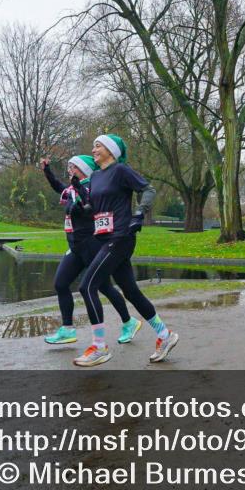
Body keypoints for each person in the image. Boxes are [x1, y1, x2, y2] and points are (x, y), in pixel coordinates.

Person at [76, 134, 178, 366]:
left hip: (121, 236)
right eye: (93, 146)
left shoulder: (121, 170)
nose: (93, 150)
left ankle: (100, 347)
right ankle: (165, 335)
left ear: (111, 151)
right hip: (105, 238)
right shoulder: (95, 176)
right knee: (131, 291)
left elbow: (148, 190)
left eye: (97, 145)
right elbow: (95, 208)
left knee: (87, 285)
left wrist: (140, 212)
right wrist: (82, 204)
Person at [40, 155, 137, 346]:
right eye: (68, 166)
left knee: (104, 287)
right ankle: (67, 329)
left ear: (84, 169)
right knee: (61, 283)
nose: (69, 169)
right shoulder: (71, 189)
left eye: (73, 166)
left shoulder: (93, 188)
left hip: (92, 244)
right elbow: (58, 186)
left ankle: (129, 322)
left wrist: (80, 201)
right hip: (75, 247)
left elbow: (90, 208)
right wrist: (47, 170)